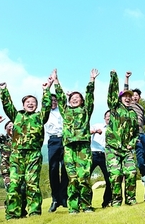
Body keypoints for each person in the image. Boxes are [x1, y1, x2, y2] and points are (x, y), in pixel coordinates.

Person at [0, 75, 53, 220]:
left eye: (33, 102)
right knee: (14, 184)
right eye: (28, 102)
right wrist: (4, 90)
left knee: (32, 184)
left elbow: (47, 106)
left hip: (34, 155)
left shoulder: (40, 117)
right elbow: (7, 105)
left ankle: (34, 213)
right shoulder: (16, 116)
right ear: (23, 105)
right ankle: (12, 213)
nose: (31, 104)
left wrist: (46, 90)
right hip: (16, 155)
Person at [53, 68, 99, 213]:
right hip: (69, 148)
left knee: (84, 177)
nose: (74, 99)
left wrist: (92, 80)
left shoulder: (86, 110)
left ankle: (86, 205)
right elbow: (60, 96)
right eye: (72, 97)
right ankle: (73, 207)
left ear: (82, 100)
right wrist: (56, 80)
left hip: (83, 147)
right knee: (72, 178)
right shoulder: (65, 110)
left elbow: (90, 96)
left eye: (77, 97)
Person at [106, 70, 139, 206]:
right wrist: (114, 77)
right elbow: (112, 93)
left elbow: (136, 132)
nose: (127, 98)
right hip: (112, 149)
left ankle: (131, 199)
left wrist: (132, 143)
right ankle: (116, 201)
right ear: (119, 99)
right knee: (116, 175)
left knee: (131, 173)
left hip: (127, 149)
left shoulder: (133, 114)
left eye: (129, 97)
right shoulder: (114, 108)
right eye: (124, 96)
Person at [0, 115, 27, 217]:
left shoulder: (22, 139)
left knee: (23, 191)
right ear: (6, 129)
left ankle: (22, 212)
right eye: (9, 126)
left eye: (13, 126)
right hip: (7, 170)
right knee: (11, 190)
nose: (11, 127)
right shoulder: (2, 140)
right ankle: (10, 213)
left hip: (21, 169)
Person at [124, 72, 145, 190]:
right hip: (134, 134)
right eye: (133, 95)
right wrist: (127, 78)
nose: (134, 97)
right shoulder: (129, 105)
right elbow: (125, 90)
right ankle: (144, 175)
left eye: (137, 95)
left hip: (142, 133)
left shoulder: (140, 108)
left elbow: (144, 121)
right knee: (139, 155)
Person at [46, 94, 68, 212]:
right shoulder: (45, 112)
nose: (53, 102)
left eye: (55, 100)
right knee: (53, 169)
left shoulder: (63, 110)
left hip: (64, 139)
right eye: (51, 100)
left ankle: (63, 196)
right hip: (53, 140)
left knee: (65, 168)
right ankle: (55, 199)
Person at [90, 110, 112, 208]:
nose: (109, 118)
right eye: (107, 116)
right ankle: (86, 203)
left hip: (105, 155)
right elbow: (88, 131)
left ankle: (106, 202)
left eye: (111, 116)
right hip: (93, 153)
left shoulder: (114, 129)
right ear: (104, 118)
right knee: (85, 178)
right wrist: (95, 131)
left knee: (109, 179)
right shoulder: (98, 125)